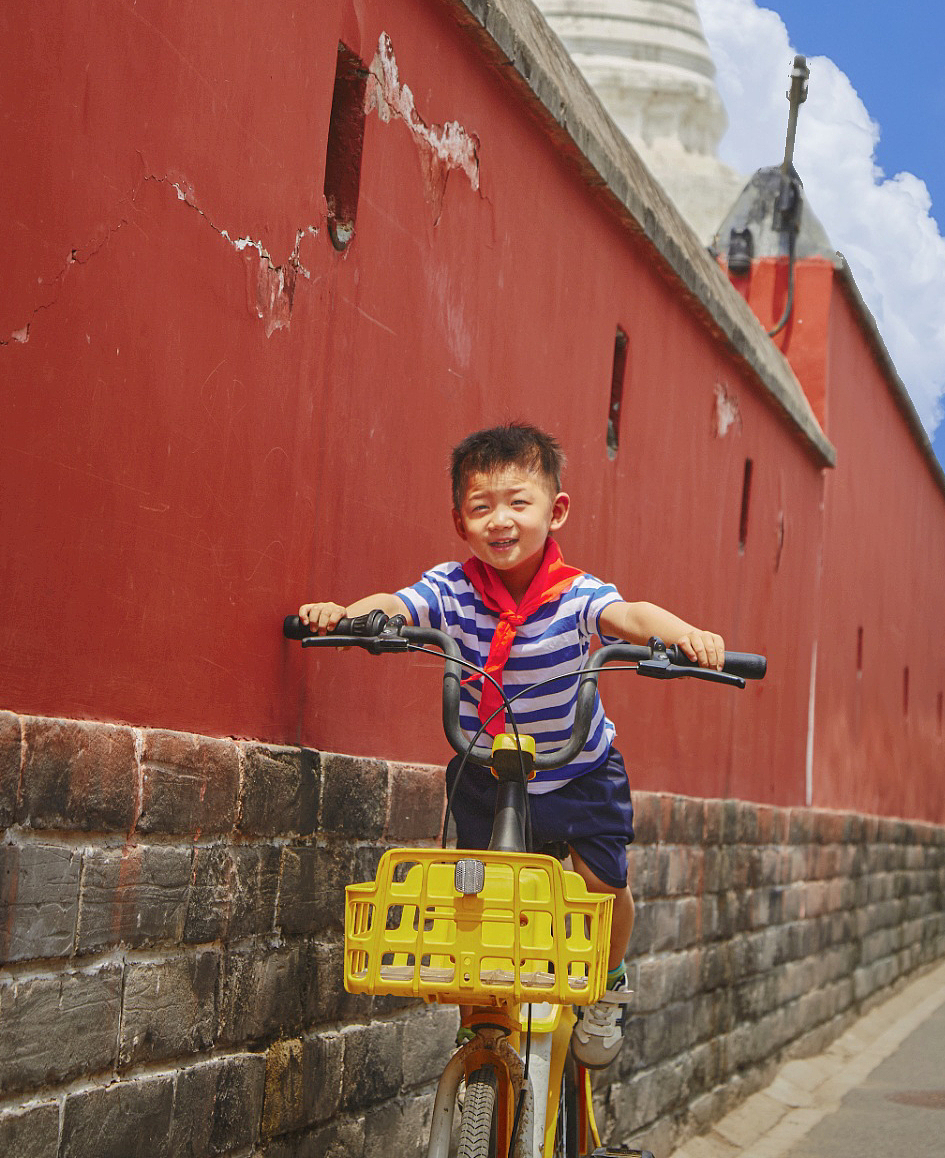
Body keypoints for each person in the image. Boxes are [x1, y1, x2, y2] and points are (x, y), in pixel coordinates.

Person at [298, 421, 726, 1068]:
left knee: (602, 884)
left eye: (518, 502)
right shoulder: (451, 588)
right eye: (481, 506)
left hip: (578, 769)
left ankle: (608, 985)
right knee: (476, 895)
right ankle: (481, 1025)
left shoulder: (576, 594)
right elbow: (398, 604)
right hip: (488, 769)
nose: (500, 520)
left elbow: (632, 616)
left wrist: (688, 635)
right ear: (460, 521)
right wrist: (350, 615)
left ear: (556, 511)